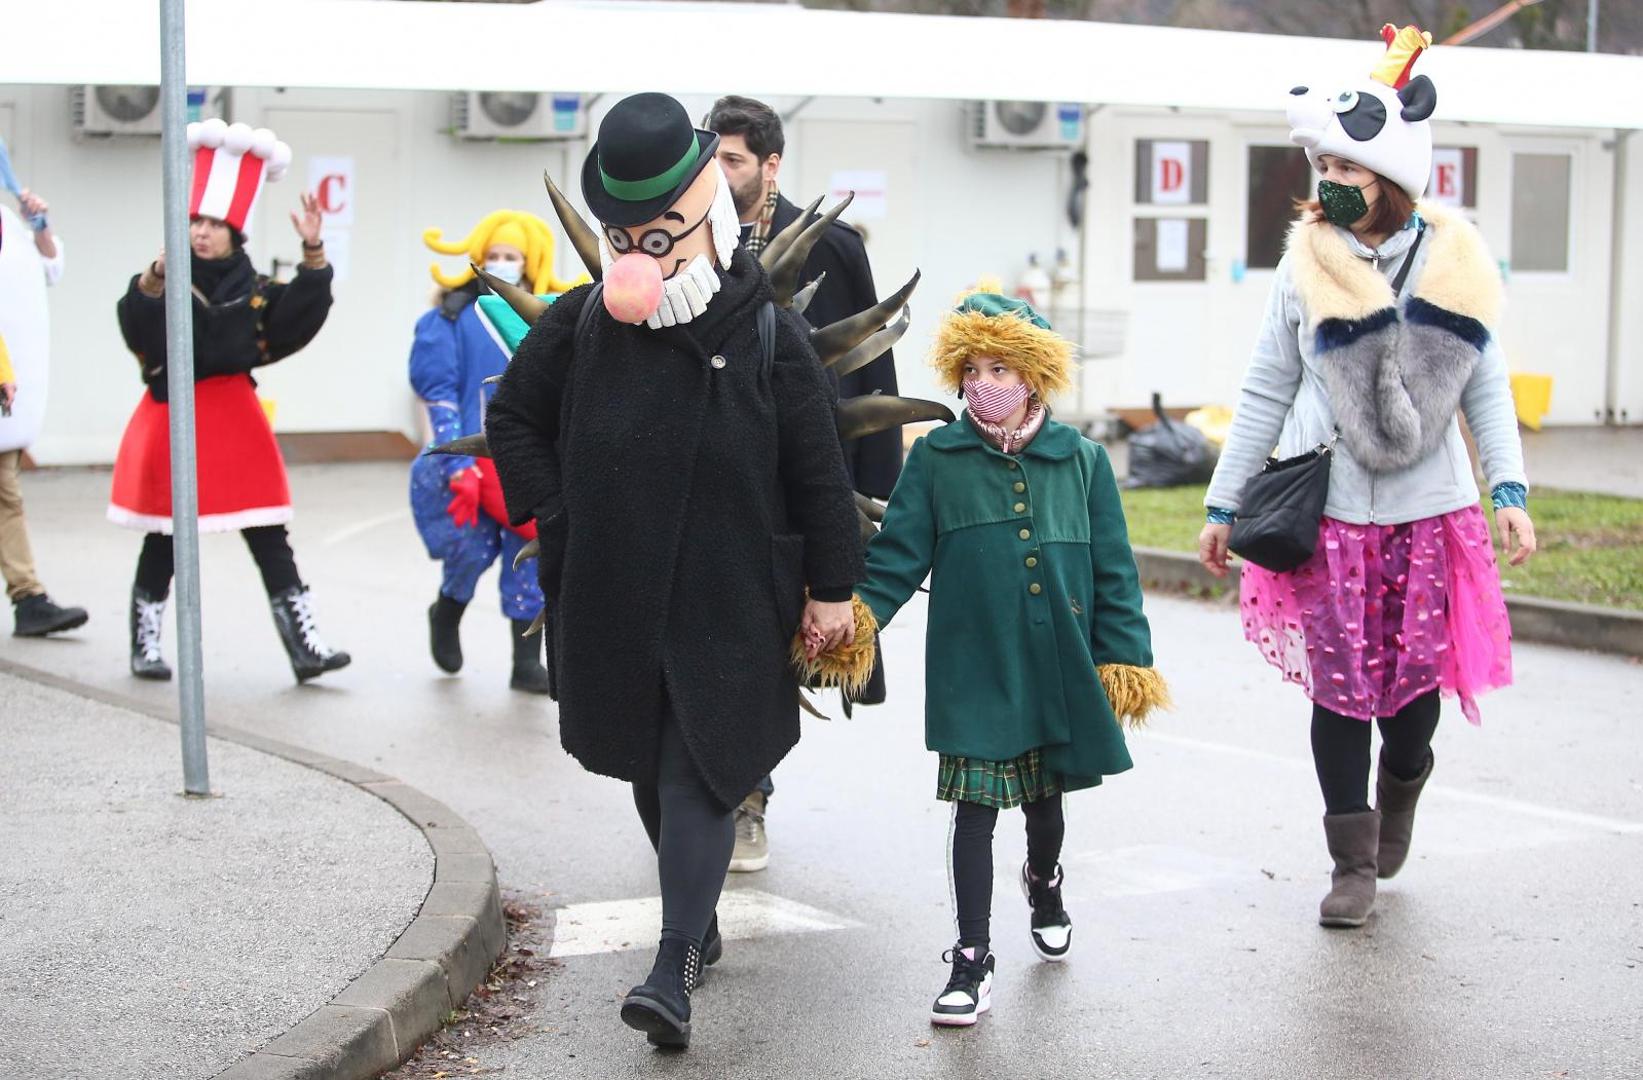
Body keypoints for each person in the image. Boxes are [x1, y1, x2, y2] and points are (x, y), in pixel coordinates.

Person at [484, 92, 868, 1050]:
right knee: (653, 779)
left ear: (708, 216)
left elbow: (819, 472)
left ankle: (670, 971)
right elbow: (513, 420)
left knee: (700, 771)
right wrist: (558, 505)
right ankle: (696, 927)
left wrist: (830, 588)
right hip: (614, 591)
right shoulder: (580, 323)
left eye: (664, 235)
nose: (645, 257)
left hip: (730, 593)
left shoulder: (766, 333)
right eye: (627, 237)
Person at [1198, 26, 1535, 930]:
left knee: (1412, 699)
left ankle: (1406, 782)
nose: (1326, 186)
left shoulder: (1453, 265)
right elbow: (1266, 384)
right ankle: (1350, 862)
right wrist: (1223, 503)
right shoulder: (1303, 266)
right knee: (1339, 691)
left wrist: (1508, 491)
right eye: (1321, 170)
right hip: (1331, 513)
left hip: (1431, 513)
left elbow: (1487, 384)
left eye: (1344, 170)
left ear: (1388, 178)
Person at [854, 293, 1169, 1026]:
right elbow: (897, 555)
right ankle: (970, 958)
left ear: (1032, 375)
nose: (981, 382)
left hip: (1056, 662)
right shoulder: (935, 457)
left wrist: (1122, 658)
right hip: (974, 665)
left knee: (1043, 801)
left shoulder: (1083, 461)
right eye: (971, 368)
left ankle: (1045, 880)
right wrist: (858, 619)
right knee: (972, 808)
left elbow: (1115, 571)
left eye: (999, 367)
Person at [707, 93, 904, 871]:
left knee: (782, 645)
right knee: (725, 640)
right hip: (722, 480)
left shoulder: (834, 247)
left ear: (771, 164)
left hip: (808, 481)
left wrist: (869, 500)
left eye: (733, 160)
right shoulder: (690, 239)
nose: (719, 175)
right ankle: (727, 792)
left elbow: (870, 374)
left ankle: (748, 798)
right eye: (711, 160)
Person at [110, 119, 350, 683]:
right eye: (194, 220)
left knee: (269, 535)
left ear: (235, 233)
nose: (201, 232)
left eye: (214, 223)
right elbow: (136, 327)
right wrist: (153, 278)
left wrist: (313, 250)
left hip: (234, 417)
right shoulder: (162, 280)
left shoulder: (257, 290)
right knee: (166, 537)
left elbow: (302, 314)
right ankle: (144, 645)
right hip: (174, 413)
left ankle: (305, 647)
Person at [410, 211, 581, 693]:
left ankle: (524, 662)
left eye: (512, 257)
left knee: (527, 558)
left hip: (527, 461)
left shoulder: (547, 319)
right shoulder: (451, 318)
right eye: (494, 256)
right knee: (471, 551)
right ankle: (446, 612)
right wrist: (456, 460)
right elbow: (438, 389)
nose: (502, 264)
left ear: (532, 264)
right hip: (472, 459)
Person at [1, 188, 88, 637]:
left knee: (5, 496)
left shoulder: (10, 224)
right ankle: (28, 597)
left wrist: (39, 227)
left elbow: (51, 268)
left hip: (8, 392)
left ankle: (29, 598)